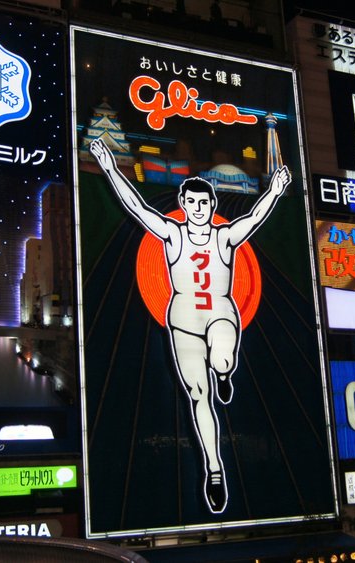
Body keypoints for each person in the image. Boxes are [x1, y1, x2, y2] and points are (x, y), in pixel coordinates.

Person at [90, 138, 290, 513]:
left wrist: (275, 190)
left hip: (220, 313)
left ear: (212, 206)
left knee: (223, 359)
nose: (198, 208)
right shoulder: (172, 234)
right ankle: (215, 469)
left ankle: (226, 371)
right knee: (200, 397)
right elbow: (136, 206)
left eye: (204, 202)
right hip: (182, 320)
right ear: (183, 206)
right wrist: (109, 167)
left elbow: (255, 217)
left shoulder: (225, 236)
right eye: (191, 203)